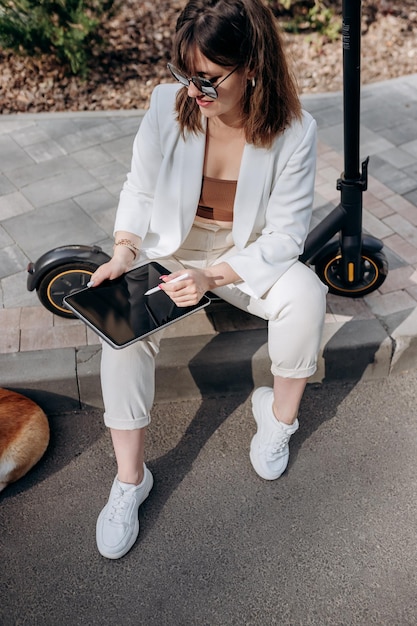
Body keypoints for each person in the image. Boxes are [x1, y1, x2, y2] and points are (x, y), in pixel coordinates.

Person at [90, 0, 327, 559]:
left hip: (243, 257)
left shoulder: (295, 131)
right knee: (118, 332)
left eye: (207, 79)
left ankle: (278, 419)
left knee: (308, 294)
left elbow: (287, 237)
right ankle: (130, 481)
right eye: (183, 73)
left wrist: (214, 275)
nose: (192, 91)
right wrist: (124, 251)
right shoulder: (166, 104)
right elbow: (140, 188)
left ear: (252, 67)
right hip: (173, 251)